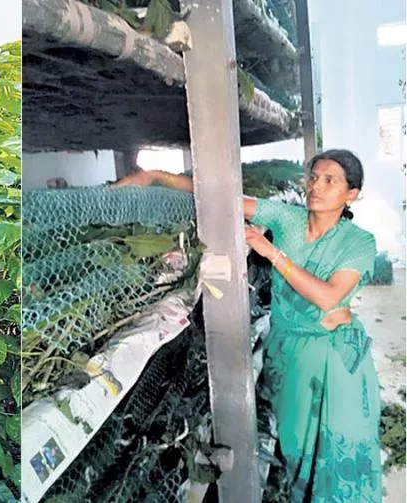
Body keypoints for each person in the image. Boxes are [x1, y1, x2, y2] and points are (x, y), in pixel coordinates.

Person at [115, 149, 382, 501]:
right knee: (300, 457)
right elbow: (224, 199)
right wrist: (156, 176)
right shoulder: (288, 219)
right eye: (314, 177)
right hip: (291, 356)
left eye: (330, 180)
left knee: (342, 458)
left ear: (352, 194)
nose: (316, 186)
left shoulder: (359, 242)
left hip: (333, 360)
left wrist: (271, 252)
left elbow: (329, 297)